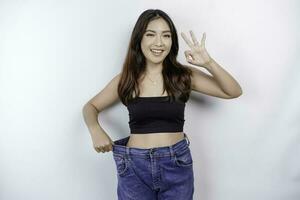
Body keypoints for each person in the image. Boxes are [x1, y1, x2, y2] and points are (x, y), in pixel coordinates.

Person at [82, 9, 242, 200]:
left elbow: (233, 91)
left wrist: (208, 63)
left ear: (172, 41)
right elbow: (90, 107)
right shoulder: (126, 79)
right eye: (151, 34)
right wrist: (95, 129)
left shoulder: (183, 76)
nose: (159, 42)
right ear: (139, 39)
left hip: (176, 165)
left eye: (166, 36)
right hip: (134, 166)